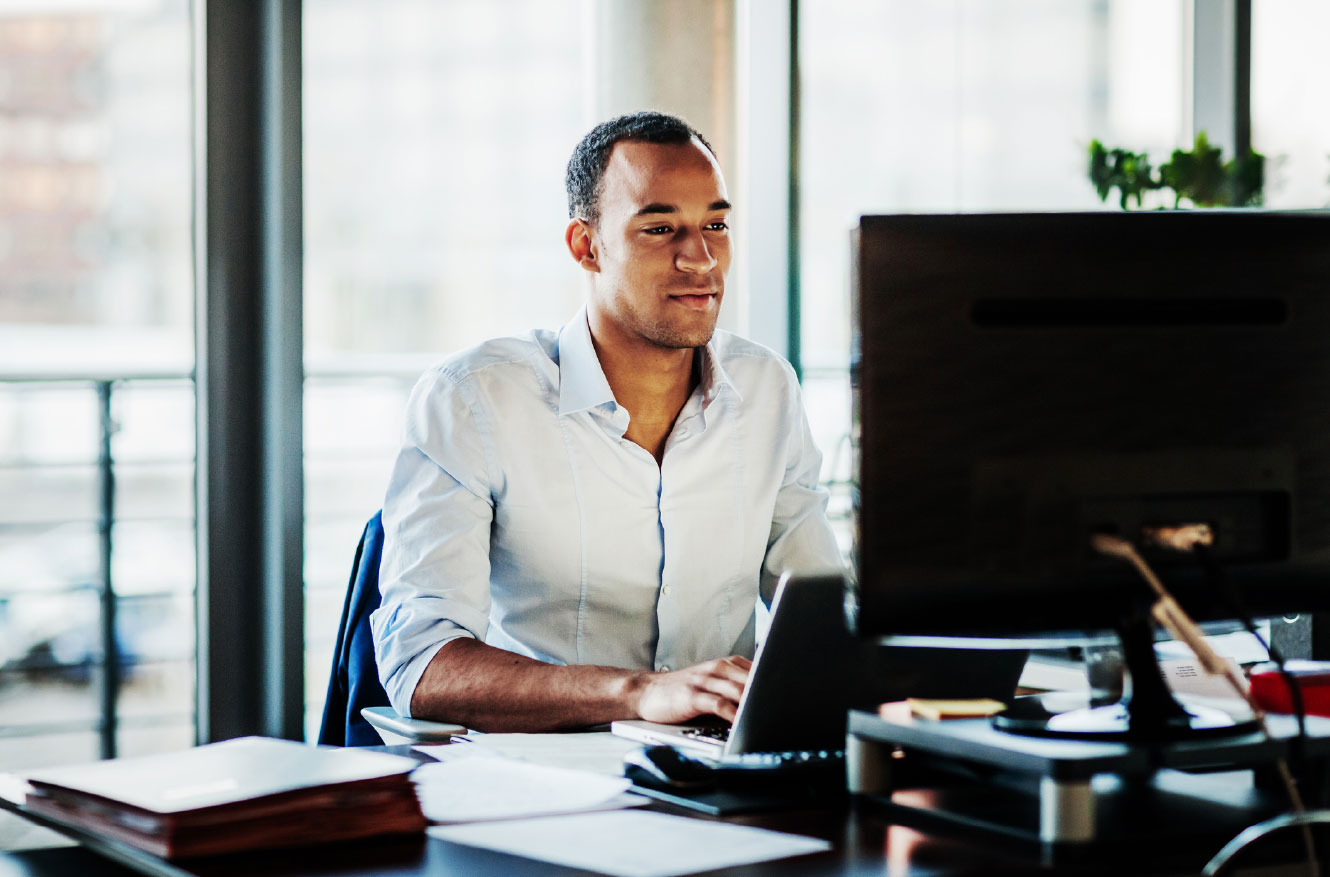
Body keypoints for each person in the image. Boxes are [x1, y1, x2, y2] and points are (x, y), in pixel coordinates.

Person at [371, 111, 844, 732]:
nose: (700, 258)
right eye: (659, 228)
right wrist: (639, 694)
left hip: (723, 770)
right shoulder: (473, 399)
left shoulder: (765, 388)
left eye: (716, 225)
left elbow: (823, 616)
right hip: (546, 778)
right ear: (586, 245)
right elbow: (422, 665)